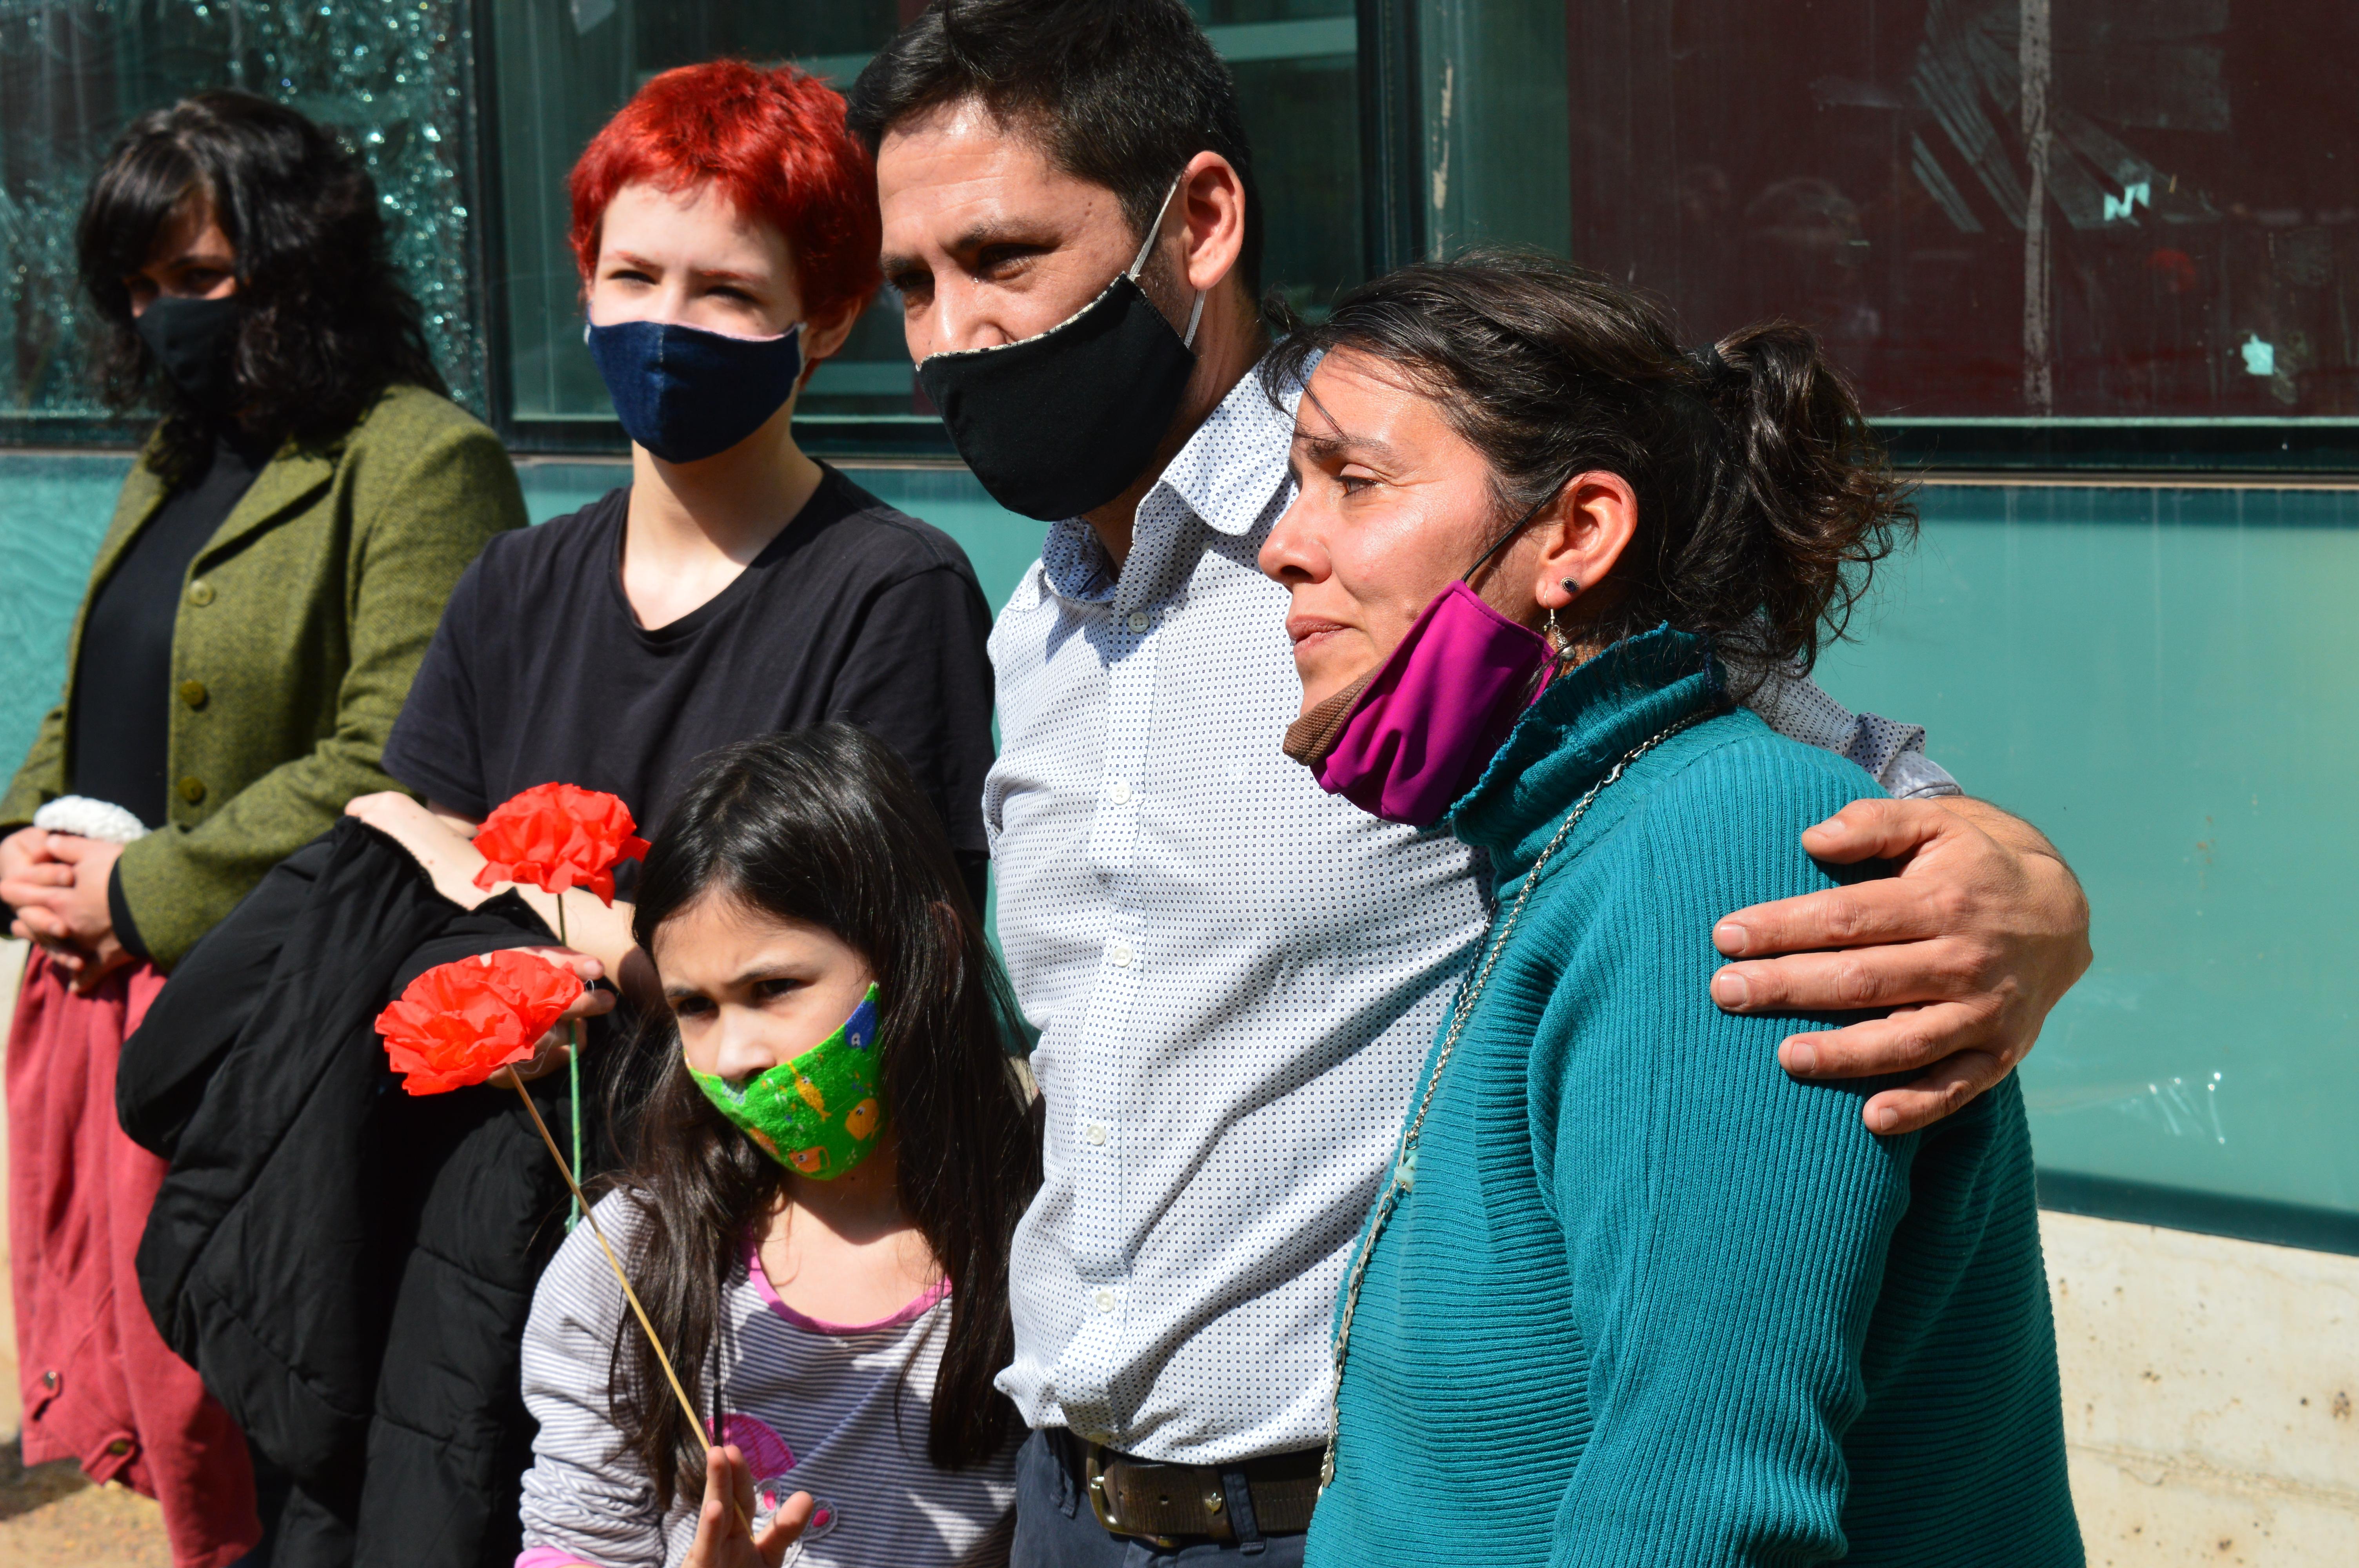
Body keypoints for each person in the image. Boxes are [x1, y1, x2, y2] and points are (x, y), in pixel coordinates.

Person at [850, 3, 2091, 1562]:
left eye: (1004, 257)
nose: (949, 331)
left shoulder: (1426, 540)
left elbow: (1758, 779)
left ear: (1202, 221)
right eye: (911, 283)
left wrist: (2029, 889)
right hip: (1078, 1496)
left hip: (1356, 1504)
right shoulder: (1035, 624)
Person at [1261, 257, 2079, 1566]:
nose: (1279, 546)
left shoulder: (1715, 848)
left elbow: (1698, 1515)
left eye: (1350, 482)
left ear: (1576, 535)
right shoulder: (1574, 836)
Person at [0, 91, 526, 1566]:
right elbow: (101, 685)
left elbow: (396, 760)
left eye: (204, 277)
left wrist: (144, 884)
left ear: (301, 265)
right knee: (135, 1393)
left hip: (257, 1015)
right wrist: (21, 843)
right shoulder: (173, 458)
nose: (168, 316)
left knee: (239, 1407)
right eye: (143, 286)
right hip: (92, 992)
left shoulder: (417, 458)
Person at [356, 60, 998, 1019]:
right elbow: (399, 874)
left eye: (726, 292)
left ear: (821, 323)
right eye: (633, 275)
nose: (663, 325)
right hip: (496, 1140)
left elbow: (867, 969)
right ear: (587, 285)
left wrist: (569, 928)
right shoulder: (511, 583)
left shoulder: (892, 591)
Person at [515, 725, 1036, 1568]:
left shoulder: (1045, 1230)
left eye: (773, 987)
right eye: (695, 1006)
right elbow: (577, 1536)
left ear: (929, 953)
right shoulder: (633, 1259)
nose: (732, 1055)